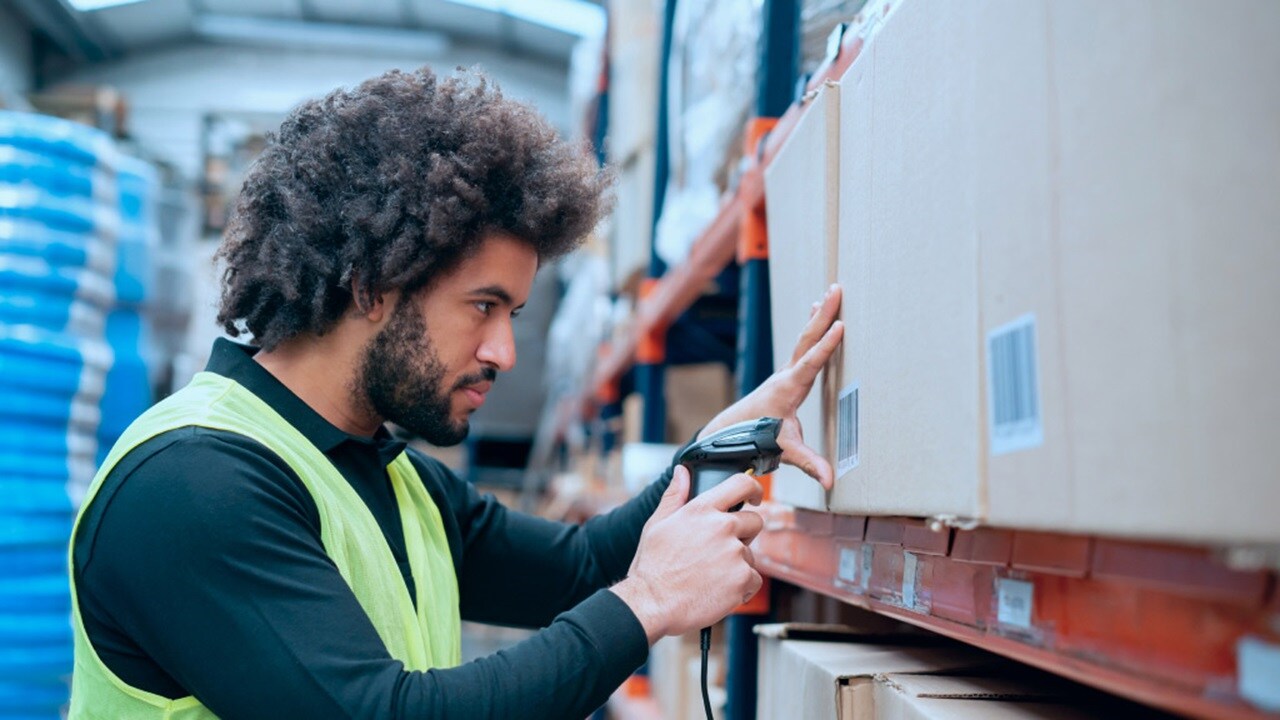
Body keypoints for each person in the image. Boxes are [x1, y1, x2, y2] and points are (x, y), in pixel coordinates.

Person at [68, 67, 844, 719]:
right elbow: (385, 714)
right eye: (482, 306)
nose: (503, 351)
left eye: (513, 315)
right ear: (372, 286)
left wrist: (724, 444)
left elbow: (578, 567)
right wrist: (646, 605)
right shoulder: (193, 484)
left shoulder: (385, 474)